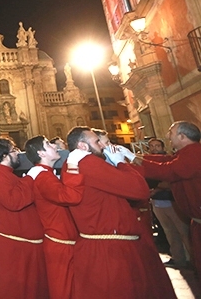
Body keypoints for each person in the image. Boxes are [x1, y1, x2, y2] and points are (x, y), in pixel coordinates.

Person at [65, 126, 175, 299]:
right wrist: (121, 163)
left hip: (108, 242)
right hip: (112, 249)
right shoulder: (89, 163)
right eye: (97, 141)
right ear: (83, 146)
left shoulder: (79, 163)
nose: (102, 146)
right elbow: (140, 190)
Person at [0, 138, 48, 299]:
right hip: (11, 248)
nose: (18, 153)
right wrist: (30, 179)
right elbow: (14, 201)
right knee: (14, 291)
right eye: (14, 150)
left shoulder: (6, 174)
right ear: (5, 155)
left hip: (20, 246)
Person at [24, 135, 86, 299]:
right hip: (61, 242)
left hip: (64, 239)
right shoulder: (43, 176)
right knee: (64, 289)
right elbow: (70, 197)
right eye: (48, 144)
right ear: (41, 153)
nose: (54, 146)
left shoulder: (46, 173)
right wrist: (73, 167)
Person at [136, 121, 201, 272]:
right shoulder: (187, 153)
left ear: (182, 136)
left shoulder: (194, 154)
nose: (168, 137)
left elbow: (168, 170)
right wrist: (135, 157)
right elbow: (166, 161)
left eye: (171, 133)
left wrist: (133, 161)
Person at [146, 138, 192, 268]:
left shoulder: (170, 160)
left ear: (163, 147)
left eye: (157, 146)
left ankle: (192, 259)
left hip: (172, 201)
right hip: (158, 203)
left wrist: (156, 189)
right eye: (152, 146)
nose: (155, 148)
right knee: (170, 233)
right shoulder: (148, 163)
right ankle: (178, 259)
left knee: (184, 232)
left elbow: (172, 180)